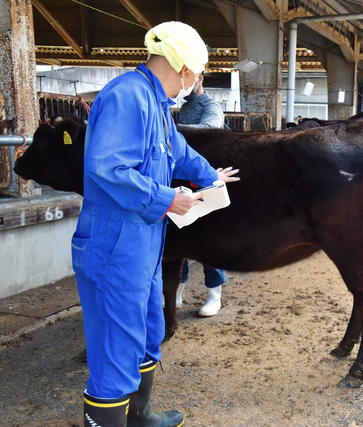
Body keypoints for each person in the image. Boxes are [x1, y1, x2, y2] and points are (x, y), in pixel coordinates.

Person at [73, 21, 239, 426]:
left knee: (148, 330)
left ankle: (139, 415)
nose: (195, 81)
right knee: (116, 346)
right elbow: (107, 168)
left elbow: (178, 153)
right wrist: (168, 199)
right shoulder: (127, 96)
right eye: (196, 73)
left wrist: (210, 177)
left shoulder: (159, 104)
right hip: (114, 243)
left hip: (144, 242)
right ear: (183, 68)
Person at [177, 74, 227, 317]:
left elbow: (211, 129)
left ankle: (214, 294)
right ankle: (178, 289)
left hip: (207, 177)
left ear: (200, 79)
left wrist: (170, 129)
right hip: (185, 177)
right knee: (180, 235)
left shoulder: (211, 106)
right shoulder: (185, 107)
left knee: (208, 238)